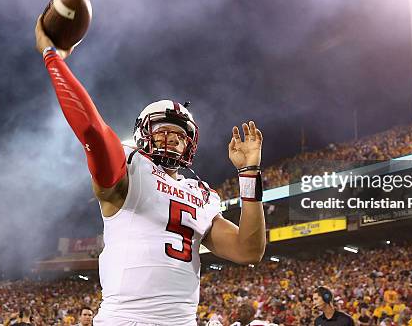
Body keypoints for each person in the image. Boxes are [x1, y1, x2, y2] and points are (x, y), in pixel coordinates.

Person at [35, 17, 266, 325]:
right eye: (161, 131)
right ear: (143, 134)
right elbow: (91, 128)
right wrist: (53, 57)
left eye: (179, 135)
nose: (170, 139)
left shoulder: (202, 194)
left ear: (190, 144)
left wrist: (249, 173)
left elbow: (249, 250)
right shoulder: (130, 169)